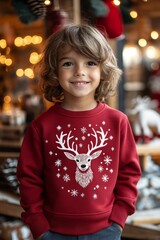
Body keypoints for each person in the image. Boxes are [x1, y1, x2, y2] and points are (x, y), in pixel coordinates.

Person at [17, 24, 142, 240]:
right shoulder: (41, 126)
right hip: (52, 233)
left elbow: (129, 173)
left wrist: (118, 220)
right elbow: (29, 179)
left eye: (90, 63)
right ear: (54, 70)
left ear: (103, 70)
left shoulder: (117, 122)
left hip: (106, 231)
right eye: (68, 63)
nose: (80, 71)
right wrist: (39, 226)